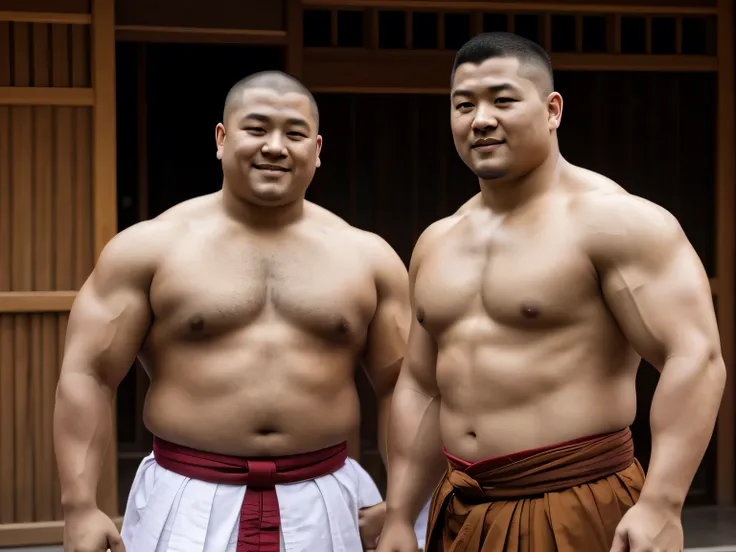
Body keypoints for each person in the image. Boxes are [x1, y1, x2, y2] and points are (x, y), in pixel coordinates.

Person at [377, 32, 725, 552]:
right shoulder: (437, 241)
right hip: (462, 507)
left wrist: (662, 502)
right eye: (463, 104)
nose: (481, 119)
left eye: (503, 99)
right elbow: (421, 387)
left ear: (552, 109)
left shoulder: (615, 221)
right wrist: (401, 514)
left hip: (575, 501)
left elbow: (694, 355)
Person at [53, 70, 411, 552]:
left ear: (318, 148)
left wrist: (404, 510)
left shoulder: (368, 258)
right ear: (222, 139)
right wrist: (79, 506)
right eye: (257, 129)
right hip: (188, 495)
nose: (276, 147)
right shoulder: (149, 248)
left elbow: (403, 387)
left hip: (322, 497)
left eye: (295, 133)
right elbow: (89, 375)